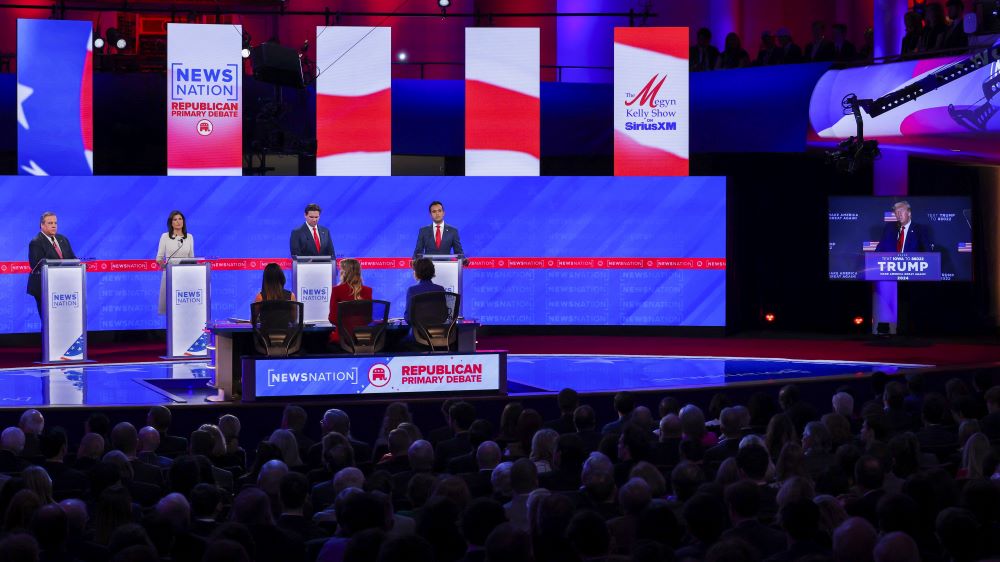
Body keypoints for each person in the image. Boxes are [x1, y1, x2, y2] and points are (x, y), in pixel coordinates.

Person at [27, 212, 77, 320]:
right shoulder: (36, 242)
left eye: (55, 223)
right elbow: (36, 265)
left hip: (64, 286)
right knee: (48, 321)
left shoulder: (62, 239)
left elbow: (72, 258)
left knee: (63, 320)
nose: (54, 225)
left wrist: (78, 265)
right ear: (42, 225)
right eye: (50, 223)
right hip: (45, 287)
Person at [156, 210, 195, 315]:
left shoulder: (189, 237)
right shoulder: (165, 237)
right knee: (171, 307)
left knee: (184, 308)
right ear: (171, 223)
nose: (178, 222)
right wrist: (165, 267)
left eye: (180, 219)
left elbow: (192, 258)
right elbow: (159, 258)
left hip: (186, 276)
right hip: (170, 275)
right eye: (175, 219)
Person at [327, 258, 373, 345]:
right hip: (362, 339)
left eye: (340, 270)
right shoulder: (368, 290)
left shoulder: (337, 290)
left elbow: (332, 319)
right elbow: (368, 319)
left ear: (344, 273)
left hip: (342, 339)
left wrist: (346, 326)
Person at [403, 258, 444, 326]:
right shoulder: (440, 289)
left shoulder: (412, 290)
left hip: (418, 333)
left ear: (416, 272)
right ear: (432, 272)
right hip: (438, 332)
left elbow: (408, 318)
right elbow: (444, 315)